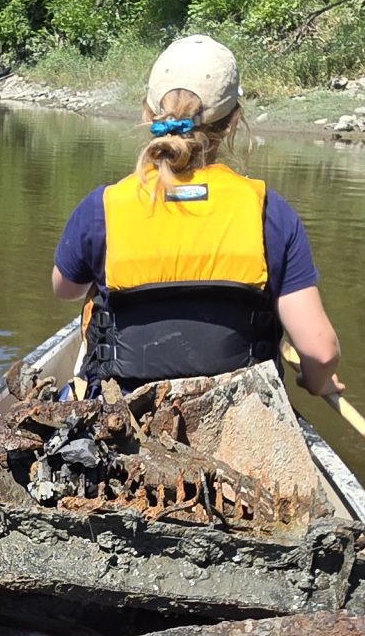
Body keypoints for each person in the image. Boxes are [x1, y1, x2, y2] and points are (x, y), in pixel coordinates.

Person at [50, 33, 344, 396]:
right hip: (241, 408)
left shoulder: (103, 207)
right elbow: (321, 352)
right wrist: (317, 381)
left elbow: (65, 289)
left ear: (148, 114)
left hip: (122, 409)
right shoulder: (271, 213)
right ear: (233, 122)